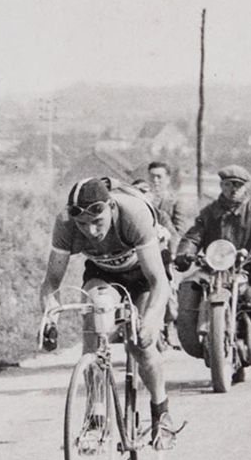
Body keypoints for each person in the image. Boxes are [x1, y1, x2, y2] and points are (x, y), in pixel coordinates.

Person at [37, 177, 183, 443]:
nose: (91, 231)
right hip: (103, 272)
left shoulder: (133, 214)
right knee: (94, 320)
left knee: (140, 345)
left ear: (111, 207)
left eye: (97, 222)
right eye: (83, 224)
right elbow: (51, 283)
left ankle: (161, 411)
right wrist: (50, 317)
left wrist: (149, 321)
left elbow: (159, 283)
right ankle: (95, 415)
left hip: (144, 274)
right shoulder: (66, 224)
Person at [175, 164, 251, 361]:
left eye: (237, 185)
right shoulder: (209, 212)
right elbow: (194, 236)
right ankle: (193, 342)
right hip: (213, 267)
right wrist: (185, 252)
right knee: (188, 285)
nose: (232, 189)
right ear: (221, 186)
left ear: (245, 187)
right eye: (227, 185)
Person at [140, 160, 190, 346]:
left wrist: (174, 253)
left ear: (168, 179)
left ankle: (169, 325)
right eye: (152, 176)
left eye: (159, 177)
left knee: (168, 289)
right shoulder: (143, 199)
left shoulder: (175, 202)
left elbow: (179, 232)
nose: (155, 181)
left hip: (167, 254)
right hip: (144, 252)